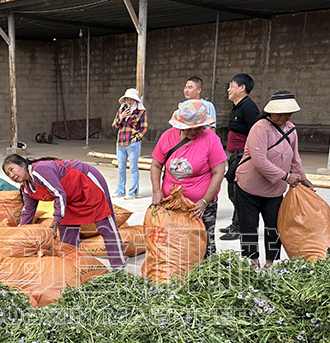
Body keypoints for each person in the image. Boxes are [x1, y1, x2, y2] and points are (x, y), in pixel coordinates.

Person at [2, 154, 127, 270]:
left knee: (104, 224)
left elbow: (58, 194)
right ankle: (75, 268)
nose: (11, 175)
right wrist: (18, 235)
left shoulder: (39, 170)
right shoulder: (26, 188)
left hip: (87, 183)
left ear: (23, 165)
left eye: (12, 169)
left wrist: (56, 219)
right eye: (8, 174)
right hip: (69, 197)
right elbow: (27, 213)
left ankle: (118, 264)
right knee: (67, 234)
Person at [235, 91, 314, 269]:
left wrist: (303, 179)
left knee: (274, 226)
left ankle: (270, 262)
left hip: (275, 190)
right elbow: (259, 160)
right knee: (249, 225)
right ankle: (253, 260)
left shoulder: (292, 130)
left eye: (286, 114)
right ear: (270, 112)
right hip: (249, 186)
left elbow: (295, 159)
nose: (282, 117)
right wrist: (286, 177)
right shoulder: (260, 128)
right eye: (278, 113)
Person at [149, 100, 226, 258]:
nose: (193, 132)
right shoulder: (167, 137)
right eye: (188, 129)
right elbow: (156, 165)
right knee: (174, 241)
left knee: (205, 242)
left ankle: (207, 275)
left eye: (198, 128)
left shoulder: (211, 139)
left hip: (200, 205)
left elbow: (219, 172)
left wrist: (204, 201)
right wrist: (157, 191)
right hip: (172, 202)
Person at [221, 73, 260, 241]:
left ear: (242, 88)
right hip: (234, 157)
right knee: (233, 193)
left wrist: (247, 157)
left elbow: (256, 133)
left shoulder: (249, 107)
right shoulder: (238, 106)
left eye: (232, 85)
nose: (229, 89)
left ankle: (240, 227)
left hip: (242, 158)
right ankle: (235, 224)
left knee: (239, 193)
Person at [111, 88, 148, 200]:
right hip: (120, 143)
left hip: (132, 144)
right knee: (121, 168)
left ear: (135, 101)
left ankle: (133, 192)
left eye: (131, 99)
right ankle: (120, 190)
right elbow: (114, 126)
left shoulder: (141, 112)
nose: (128, 101)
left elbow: (144, 128)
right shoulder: (121, 110)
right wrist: (121, 117)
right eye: (127, 99)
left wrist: (136, 138)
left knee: (133, 168)